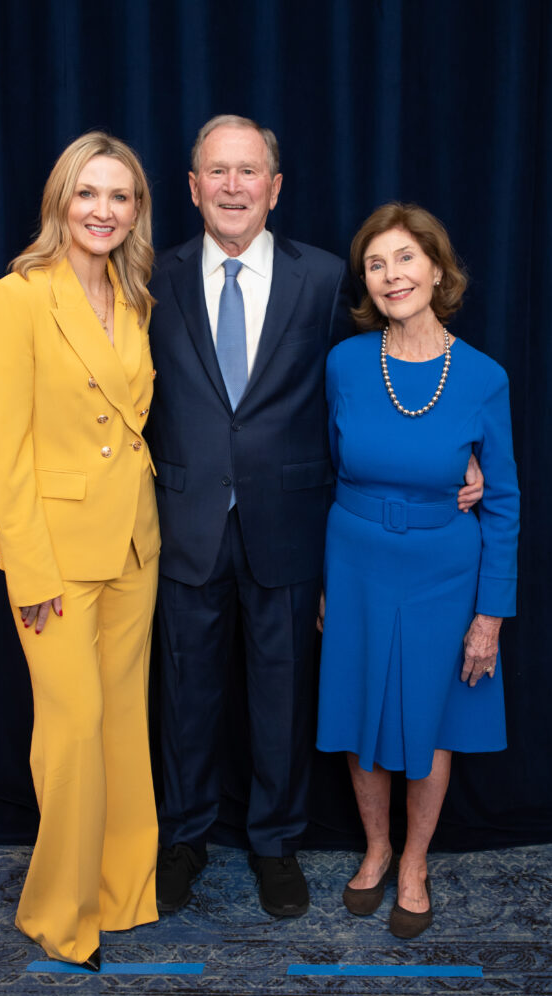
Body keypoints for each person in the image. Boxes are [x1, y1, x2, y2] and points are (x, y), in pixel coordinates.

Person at [146, 117, 483, 918]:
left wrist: (450, 455)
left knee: (280, 696)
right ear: (193, 188)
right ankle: (183, 838)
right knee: (185, 697)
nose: (232, 186)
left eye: (248, 171)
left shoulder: (325, 276)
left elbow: (371, 380)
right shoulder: (150, 280)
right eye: (216, 173)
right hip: (184, 524)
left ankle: (274, 843)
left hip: (292, 527)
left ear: (275, 186)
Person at [0, 131, 160, 970]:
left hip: (132, 540)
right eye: (88, 193)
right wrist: (29, 564)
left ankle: (121, 894)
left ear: (137, 211)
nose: (103, 211)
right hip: (53, 550)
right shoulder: (15, 298)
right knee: (73, 729)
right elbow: (4, 450)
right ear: (59, 201)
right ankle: (58, 913)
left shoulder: (135, 298)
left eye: (119, 197)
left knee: (122, 726)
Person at [317, 202, 520, 938]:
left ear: (436, 269)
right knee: (361, 715)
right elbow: (331, 470)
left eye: (404, 259)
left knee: (427, 720)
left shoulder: (481, 377)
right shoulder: (344, 362)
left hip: (443, 569)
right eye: (375, 264)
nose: (390, 275)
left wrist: (489, 615)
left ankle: (414, 863)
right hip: (357, 558)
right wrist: (325, 582)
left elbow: (501, 501)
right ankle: (374, 851)